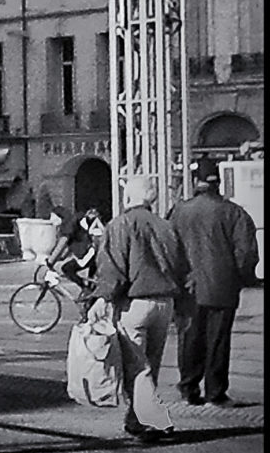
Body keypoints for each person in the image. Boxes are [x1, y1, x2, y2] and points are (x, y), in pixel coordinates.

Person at [91, 174, 190, 443]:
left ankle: (156, 419)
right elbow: (182, 266)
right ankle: (136, 421)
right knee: (150, 365)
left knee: (137, 366)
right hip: (164, 304)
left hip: (134, 305)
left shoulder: (120, 225)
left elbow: (113, 268)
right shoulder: (166, 226)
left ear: (128, 196)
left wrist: (102, 297)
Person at [167, 158, 259, 407]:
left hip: (188, 289)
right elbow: (246, 252)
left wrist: (178, 279)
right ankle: (215, 392)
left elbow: (168, 248)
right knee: (218, 341)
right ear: (217, 181)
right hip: (222, 287)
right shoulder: (234, 212)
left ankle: (188, 388)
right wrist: (242, 279)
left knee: (190, 338)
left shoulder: (178, 211)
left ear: (195, 182)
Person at [46, 206, 103, 290]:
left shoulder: (67, 227)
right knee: (68, 269)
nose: (51, 220)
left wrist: (50, 261)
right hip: (86, 253)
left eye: (53, 217)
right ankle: (88, 291)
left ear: (60, 216)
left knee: (67, 269)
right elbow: (68, 247)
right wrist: (61, 258)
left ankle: (85, 289)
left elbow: (62, 245)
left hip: (87, 253)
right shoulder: (68, 225)